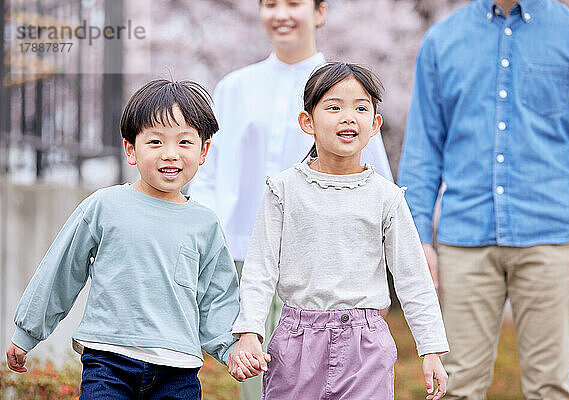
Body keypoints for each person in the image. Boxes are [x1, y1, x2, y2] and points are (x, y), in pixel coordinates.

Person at [188, 1, 393, 397]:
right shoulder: (234, 88)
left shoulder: (345, 92)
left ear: (319, 12)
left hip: (323, 266)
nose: (281, 13)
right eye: (270, 4)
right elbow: (209, 176)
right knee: (257, 384)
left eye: (294, 3)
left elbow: (376, 184)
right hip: (245, 259)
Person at [397, 0, 569, 398]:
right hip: (464, 239)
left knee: (551, 388)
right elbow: (422, 149)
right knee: (454, 386)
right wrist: (417, 234)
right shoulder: (442, 40)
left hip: (552, 237)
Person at [5, 79, 255, 398]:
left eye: (184, 142)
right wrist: (27, 333)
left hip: (177, 371)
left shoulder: (205, 223)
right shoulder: (104, 206)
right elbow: (61, 271)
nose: (170, 154)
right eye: (155, 142)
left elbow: (217, 297)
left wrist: (231, 349)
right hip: (108, 363)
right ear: (130, 149)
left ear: (204, 150)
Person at [227, 62, 449, 400]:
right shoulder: (283, 189)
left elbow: (412, 277)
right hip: (296, 341)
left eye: (361, 108)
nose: (348, 117)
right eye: (334, 107)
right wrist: (249, 332)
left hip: (366, 345)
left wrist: (430, 349)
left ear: (375, 124)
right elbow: (260, 269)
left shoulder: (386, 196)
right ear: (308, 122)